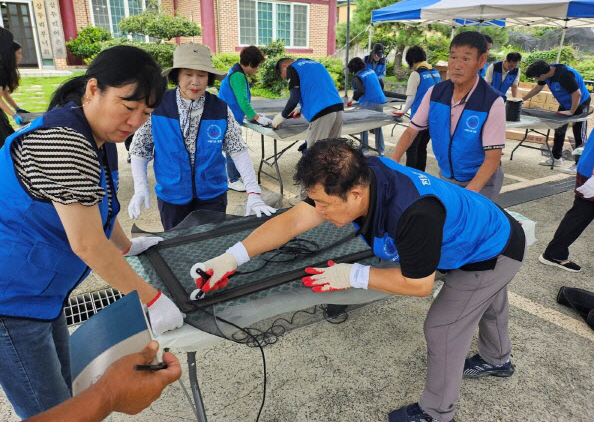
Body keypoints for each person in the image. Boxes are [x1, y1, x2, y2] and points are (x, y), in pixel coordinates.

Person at [190, 138, 525, 422]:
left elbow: (419, 285)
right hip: (480, 226)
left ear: (353, 195)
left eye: (323, 204)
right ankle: (498, 359)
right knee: (487, 299)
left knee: (444, 326)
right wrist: (231, 257)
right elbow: (291, 223)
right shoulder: (361, 174)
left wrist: (353, 274)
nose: (317, 212)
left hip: (491, 249)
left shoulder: (413, 213)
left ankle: (436, 412)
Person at [0, 45, 185, 419]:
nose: (134, 122)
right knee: (51, 411)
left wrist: (126, 246)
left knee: (69, 389)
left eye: (145, 113)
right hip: (9, 298)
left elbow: (98, 210)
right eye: (128, 106)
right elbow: (85, 243)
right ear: (92, 89)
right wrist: (152, 299)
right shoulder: (64, 142)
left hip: (40, 292)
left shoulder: (94, 134)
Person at [128, 43, 275, 231]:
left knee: (211, 245)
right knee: (177, 247)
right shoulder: (158, 106)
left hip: (212, 196)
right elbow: (140, 150)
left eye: (202, 75)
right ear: (177, 75)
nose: (195, 82)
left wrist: (253, 192)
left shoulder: (220, 108)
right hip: (172, 196)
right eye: (188, 74)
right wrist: (140, 187)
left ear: (209, 78)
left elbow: (237, 150)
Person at [391, 31, 506, 202]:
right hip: (446, 176)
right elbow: (411, 132)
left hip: (481, 182)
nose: (457, 65)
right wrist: (392, 163)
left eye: (466, 59)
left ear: (481, 61)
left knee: (472, 224)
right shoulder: (435, 93)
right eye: (453, 57)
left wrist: (469, 193)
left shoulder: (492, 102)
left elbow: (493, 158)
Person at [26, 341, 181, 421]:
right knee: (49, 402)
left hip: (47, 299)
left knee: (70, 378)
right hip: (11, 309)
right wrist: (110, 394)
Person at [538, 117, 594, 272]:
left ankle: (555, 253)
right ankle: (554, 253)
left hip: (591, 166)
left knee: (581, 212)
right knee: (581, 213)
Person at [218, 45, 271, 192]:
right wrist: (256, 117)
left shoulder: (236, 72)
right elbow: (242, 101)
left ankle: (234, 176)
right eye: (257, 66)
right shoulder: (238, 76)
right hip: (228, 116)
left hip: (229, 115)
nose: (257, 69)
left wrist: (254, 115)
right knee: (232, 147)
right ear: (250, 63)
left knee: (233, 146)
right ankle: (232, 180)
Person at [523, 60, 591, 174]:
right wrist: (521, 100)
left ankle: (580, 164)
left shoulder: (564, 75)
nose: (536, 80)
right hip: (565, 103)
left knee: (579, 133)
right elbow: (537, 88)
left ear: (542, 75)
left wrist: (571, 111)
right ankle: (556, 158)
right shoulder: (546, 72)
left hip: (580, 104)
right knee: (559, 129)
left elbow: (577, 94)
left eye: (536, 77)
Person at [271, 57, 343, 148]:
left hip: (321, 112)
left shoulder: (292, 67)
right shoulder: (316, 64)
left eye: (285, 77)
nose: (287, 79)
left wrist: (281, 116)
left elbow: (294, 99)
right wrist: (301, 108)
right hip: (338, 107)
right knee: (333, 151)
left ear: (285, 66)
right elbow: (318, 89)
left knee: (315, 153)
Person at [392, 46, 441, 171]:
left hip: (419, 118)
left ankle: (411, 176)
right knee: (422, 147)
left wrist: (402, 111)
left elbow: (410, 98)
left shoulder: (416, 74)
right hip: (433, 117)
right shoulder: (435, 72)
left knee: (412, 148)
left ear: (412, 61)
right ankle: (421, 174)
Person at [347, 56, 387, 156]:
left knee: (363, 125)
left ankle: (364, 149)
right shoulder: (371, 71)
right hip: (380, 100)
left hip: (368, 102)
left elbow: (360, 91)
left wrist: (352, 99)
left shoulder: (358, 76)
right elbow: (380, 83)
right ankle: (381, 149)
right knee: (377, 126)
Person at [0, 29, 28, 148]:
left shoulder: (4, 69)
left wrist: (17, 108)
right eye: (19, 53)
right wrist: (13, 115)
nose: (21, 57)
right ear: (11, 54)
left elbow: (5, 93)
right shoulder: (1, 70)